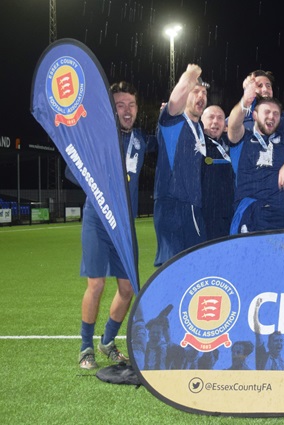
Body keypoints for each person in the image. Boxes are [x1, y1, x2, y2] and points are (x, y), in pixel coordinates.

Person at [74, 81, 147, 369]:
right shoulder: (97, 136)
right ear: (110, 109)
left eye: (131, 105)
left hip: (124, 224)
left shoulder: (141, 139)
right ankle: (85, 348)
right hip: (98, 216)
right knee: (96, 284)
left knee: (128, 288)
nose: (127, 110)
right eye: (120, 105)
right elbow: (75, 167)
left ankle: (107, 341)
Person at [226, 97, 284, 233]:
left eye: (276, 113)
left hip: (279, 213)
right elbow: (233, 125)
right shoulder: (244, 138)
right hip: (251, 212)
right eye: (267, 112)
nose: (271, 116)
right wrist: (245, 100)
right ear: (255, 115)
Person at [153, 64, 208, 266]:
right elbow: (175, 102)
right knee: (173, 267)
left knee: (196, 268)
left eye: (204, 93)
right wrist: (190, 74)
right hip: (172, 204)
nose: (201, 96)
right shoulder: (172, 121)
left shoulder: (199, 127)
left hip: (194, 206)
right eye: (195, 91)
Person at [200, 105, 234, 240]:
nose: (215, 121)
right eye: (211, 117)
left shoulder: (233, 145)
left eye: (220, 118)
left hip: (230, 215)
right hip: (205, 216)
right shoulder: (195, 146)